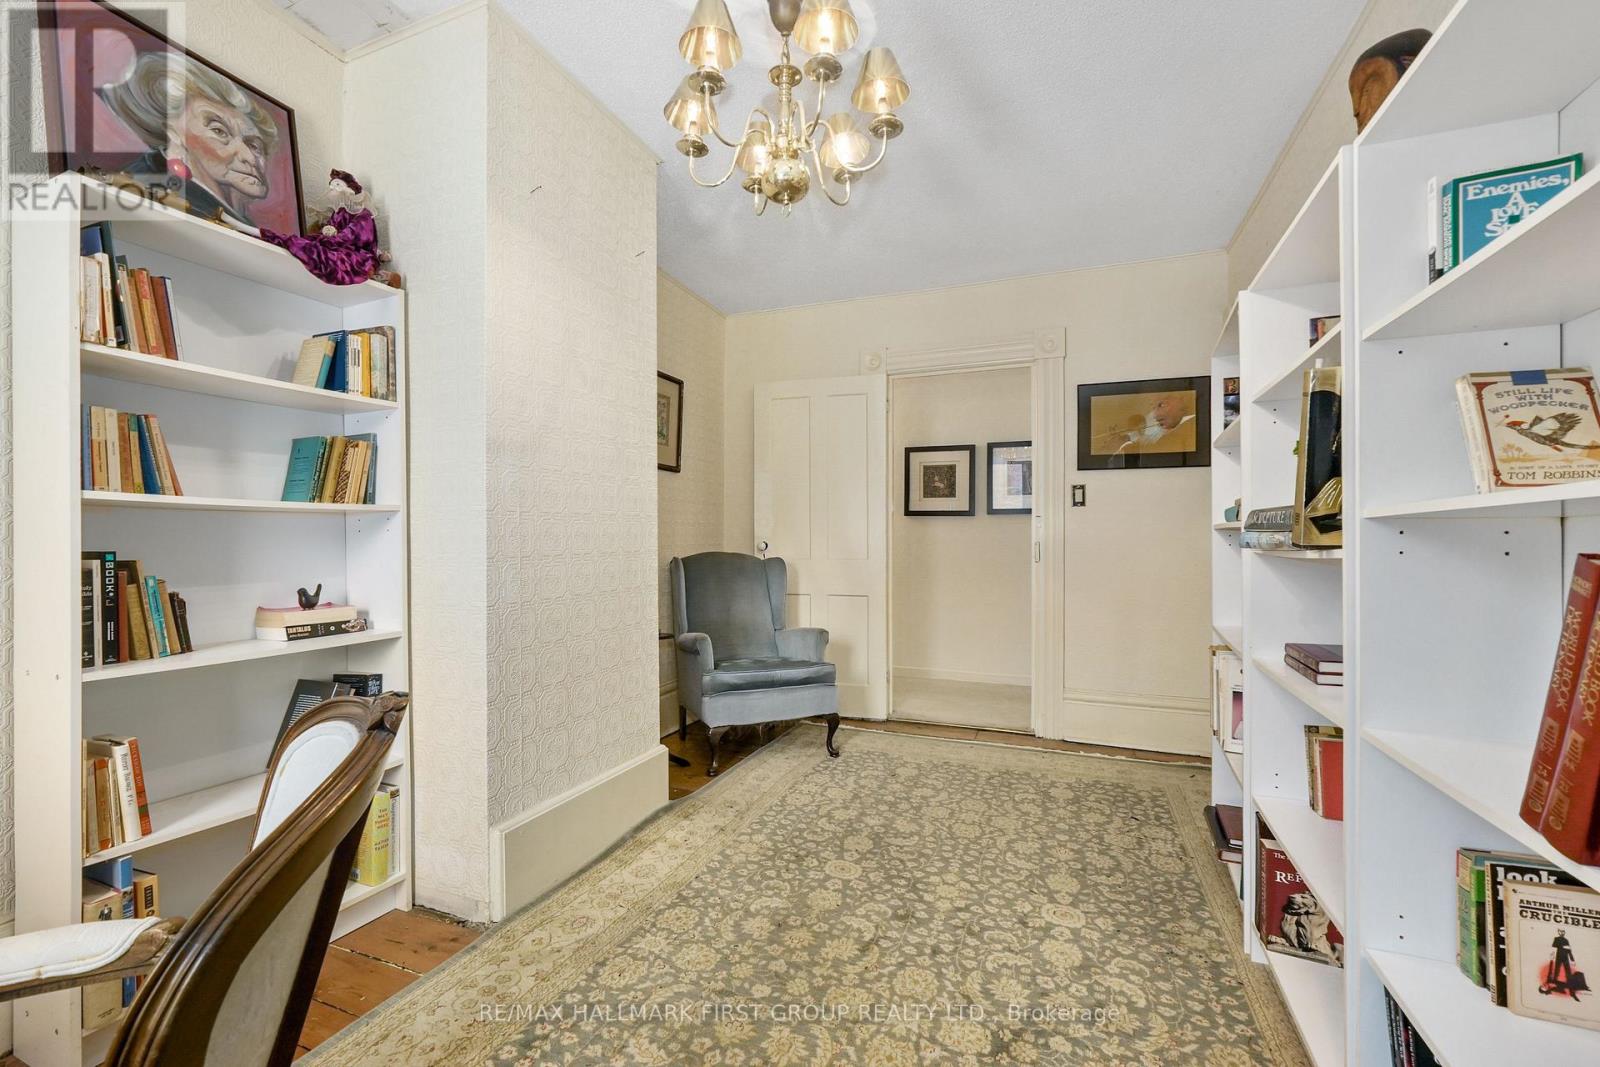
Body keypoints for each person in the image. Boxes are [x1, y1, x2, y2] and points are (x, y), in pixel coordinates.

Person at [98, 51, 279, 227]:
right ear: (173, 134)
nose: (249, 157)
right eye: (220, 131)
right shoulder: (142, 192)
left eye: (254, 145)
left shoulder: (236, 221)